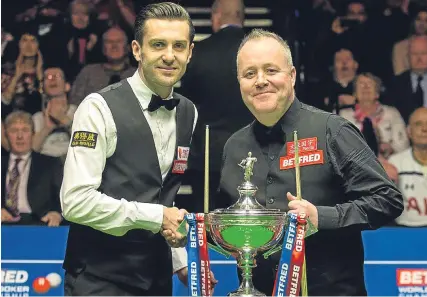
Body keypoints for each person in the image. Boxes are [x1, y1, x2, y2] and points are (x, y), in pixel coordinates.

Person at [217, 29, 404, 295]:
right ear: (239, 83)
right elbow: (227, 217)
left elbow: (387, 199)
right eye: (250, 74)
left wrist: (322, 217)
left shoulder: (333, 131)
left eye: (271, 70)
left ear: (292, 76)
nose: (260, 81)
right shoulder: (234, 147)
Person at [60, 2, 216, 296]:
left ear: (190, 53)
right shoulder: (98, 107)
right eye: (158, 44)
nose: (169, 56)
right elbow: (75, 202)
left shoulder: (189, 113)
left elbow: (163, 194)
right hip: (98, 278)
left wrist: (180, 260)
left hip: (156, 278)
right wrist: (157, 217)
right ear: (137, 50)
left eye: (178, 46)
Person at [178, 0, 253, 212]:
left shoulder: (198, 53)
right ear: (242, 17)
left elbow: (187, 102)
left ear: (216, 16)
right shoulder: (259, 54)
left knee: (206, 218)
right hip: (252, 150)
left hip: (207, 153)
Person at [2, 111, 63, 226]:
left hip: (40, 222)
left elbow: (62, 197)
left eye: (25, 130)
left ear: (33, 134)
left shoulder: (50, 163)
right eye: (14, 131)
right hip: (3, 223)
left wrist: (56, 213)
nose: (20, 136)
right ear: (6, 135)